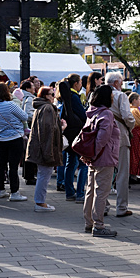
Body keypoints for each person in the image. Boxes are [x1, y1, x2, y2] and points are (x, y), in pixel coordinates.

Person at [83, 85, 120, 237]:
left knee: (91, 191)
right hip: (103, 158)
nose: (113, 97)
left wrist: (89, 154)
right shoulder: (106, 114)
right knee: (101, 193)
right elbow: (102, 138)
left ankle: (89, 222)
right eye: (111, 95)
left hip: (94, 158)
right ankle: (98, 226)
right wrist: (94, 154)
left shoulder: (92, 112)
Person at [26, 87, 66, 212]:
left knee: (43, 174)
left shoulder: (41, 107)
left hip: (41, 147)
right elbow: (48, 131)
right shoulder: (47, 108)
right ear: (46, 96)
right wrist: (62, 127)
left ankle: (40, 202)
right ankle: (40, 203)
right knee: (44, 175)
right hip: (45, 148)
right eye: (51, 94)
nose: (54, 96)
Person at [0, 82, 29, 201]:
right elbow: (24, 116)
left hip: (0, 138)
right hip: (14, 137)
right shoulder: (10, 104)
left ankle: (1, 190)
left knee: (1, 165)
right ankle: (14, 192)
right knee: (13, 166)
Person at [106, 72, 135, 217]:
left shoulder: (96, 94)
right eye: (121, 82)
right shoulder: (120, 95)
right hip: (120, 136)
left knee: (104, 172)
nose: (122, 85)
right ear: (116, 83)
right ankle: (121, 207)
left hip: (102, 136)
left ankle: (102, 205)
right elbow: (127, 116)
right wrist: (132, 126)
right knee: (123, 172)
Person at [62, 74, 88, 203]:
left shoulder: (65, 96)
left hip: (69, 133)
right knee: (83, 164)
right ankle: (80, 194)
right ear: (76, 84)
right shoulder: (74, 97)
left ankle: (69, 192)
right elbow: (83, 115)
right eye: (80, 82)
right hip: (77, 133)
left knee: (70, 163)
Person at [20, 79, 38, 185]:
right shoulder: (30, 99)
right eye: (32, 86)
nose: (34, 87)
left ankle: (28, 174)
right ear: (27, 89)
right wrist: (36, 115)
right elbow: (27, 113)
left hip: (27, 127)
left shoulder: (26, 97)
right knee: (31, 151)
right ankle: (29, 176)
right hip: (30, 127)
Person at [128, 92, 140, 184]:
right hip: (136, 135)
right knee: (135, 155)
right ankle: (132, 175)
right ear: (134, 100)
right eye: (139, 99)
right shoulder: (134, 110)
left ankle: (133, 175)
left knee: (135, 155)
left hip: (136, 135)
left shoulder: (134, 109)